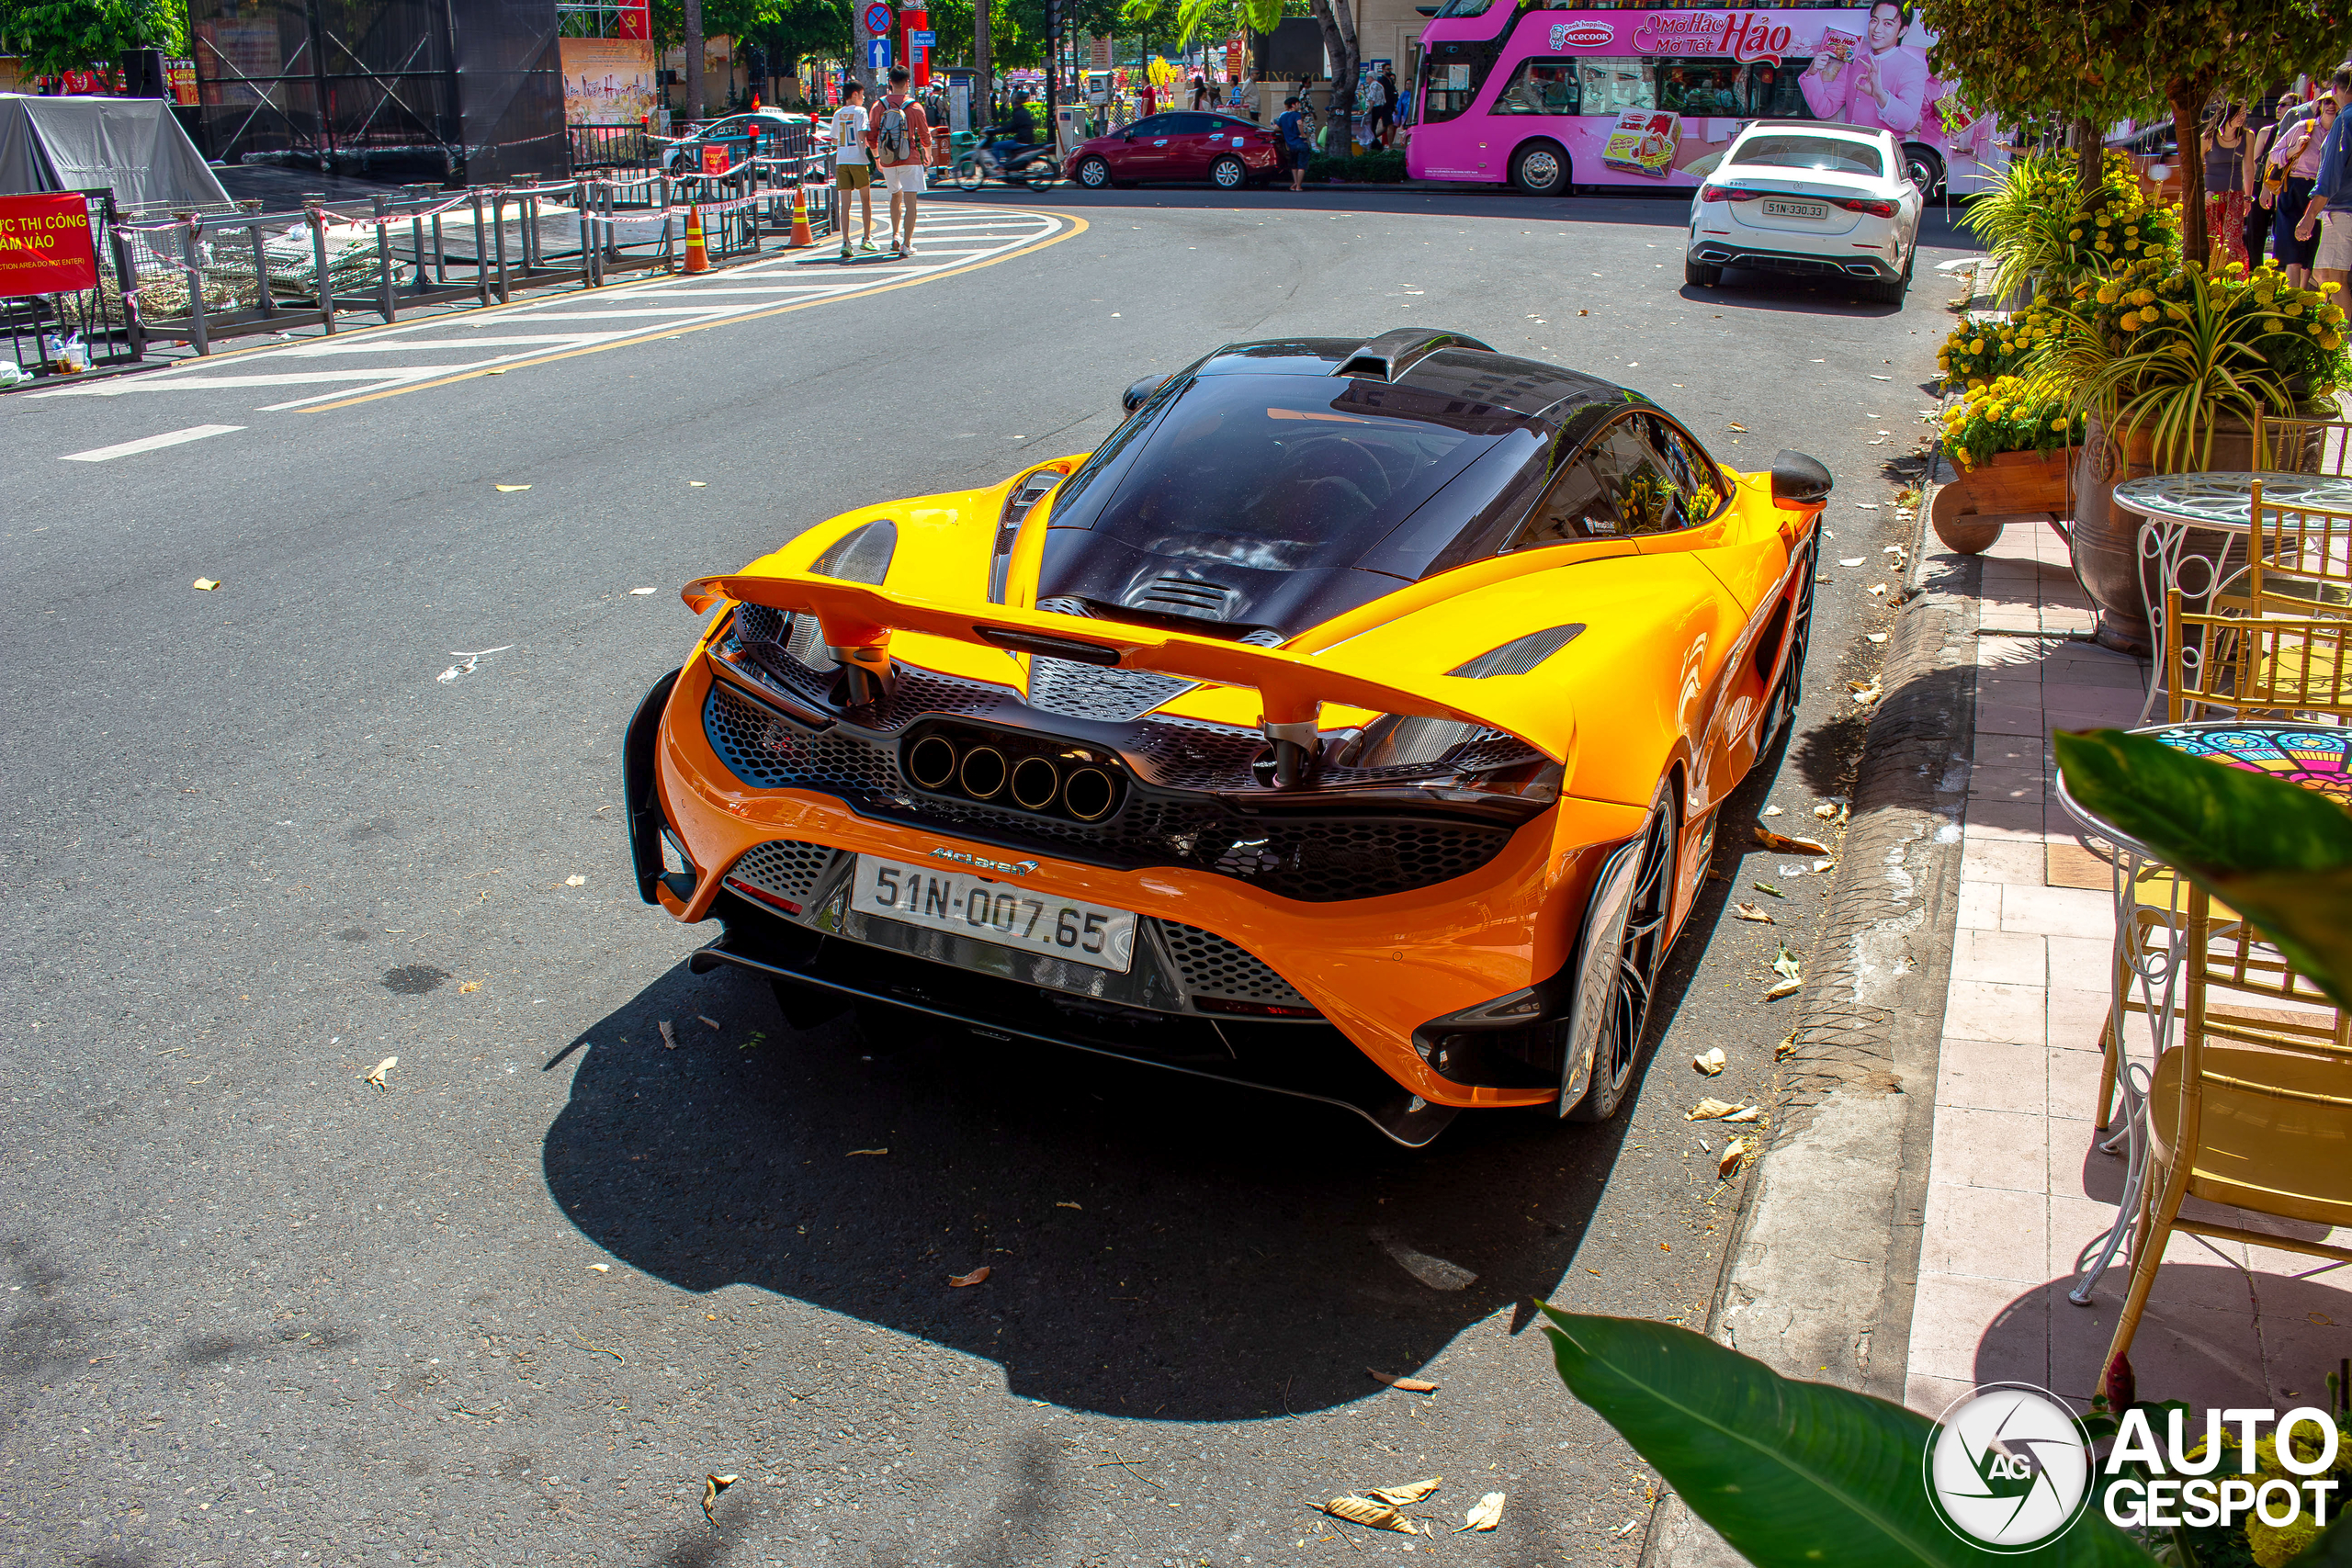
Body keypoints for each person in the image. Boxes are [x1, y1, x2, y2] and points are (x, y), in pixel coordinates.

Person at [1799, 0, 1924, 134]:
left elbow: (1908, 123)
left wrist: (1880, 95)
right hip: (1852, 149)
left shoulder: (1912, 68)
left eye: (1888, 24)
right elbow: (1823, 109)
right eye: (1874, 21)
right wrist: (1812, 73)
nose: (1877, 30)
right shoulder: (1855, 62)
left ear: (1902, 31)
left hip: (1884, 151)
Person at [2271, 91, 2340, 287]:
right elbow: (2274, 155)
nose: (2331, 106)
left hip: (2320, 192)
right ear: (2319, 105)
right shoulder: (2303, 126)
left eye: (2334, 102)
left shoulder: (2340, 132)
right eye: (2326, 101)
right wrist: (2294, 150)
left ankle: (2302, 300)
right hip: (2293, 188)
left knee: (2311, 248)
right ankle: (2291, 299)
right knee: (2293, 251)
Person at [865, 66, 934, 258]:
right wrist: (927, 153)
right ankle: (907, 244)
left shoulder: (878, 106)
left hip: (888, 159)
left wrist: (877, 157)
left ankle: (895, 235)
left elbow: (872, 135)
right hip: (910, 158)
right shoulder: (914, 106)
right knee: (910, 201)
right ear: (907, 83)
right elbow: (924, 134)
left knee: (895, 196)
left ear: (890, 82)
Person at [2301, 83, 2352, 298]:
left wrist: (2310, 214)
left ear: (2335, 87)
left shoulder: (2344, 120)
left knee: (2331, 278)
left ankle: (2342, 332)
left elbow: (2330, 173)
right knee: (2324, 274)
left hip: (2343, 208)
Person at [2246, 91, 2301, 269]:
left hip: (2287, 187)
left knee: (2282, 230)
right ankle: (2254, 270)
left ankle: (2280, 269)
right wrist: (2262, 187)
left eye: (2284, 104)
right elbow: (2256, 162)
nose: (2278, 108)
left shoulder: (2299, 134)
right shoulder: (2267, 131)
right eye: (2279, 104)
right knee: (2256, 230)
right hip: (2263, 185)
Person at [830, 78, 877, 258]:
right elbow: (861, 133)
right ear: (855, 94)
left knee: (845, 204)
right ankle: (866, 238)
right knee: (866, 201)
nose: (863, 98)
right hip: (858, 159)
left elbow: (834, 139)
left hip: (841, 160)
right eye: (862, 95)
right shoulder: (860, 111)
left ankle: (846, 242)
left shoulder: (838, 113)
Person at [2203, 101, 2249, 271]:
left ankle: (2234, 275)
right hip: (2213, 193)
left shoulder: (2247, 136)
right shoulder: (2208, 138)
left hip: (2235, 194)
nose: (2242, 117)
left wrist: (2248, 196)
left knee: (2233, 237)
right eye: (2239, 113)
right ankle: (2211, 273)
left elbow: (2249, 167)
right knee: (2212, 235)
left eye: (2245, 113)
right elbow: (2195, 166)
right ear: (2228, 114)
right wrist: (2205, 191)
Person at [1277, 94, 1312, 192]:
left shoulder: (1283, 116)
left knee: (1294, 165)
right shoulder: (1297, 115)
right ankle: (1298, 186)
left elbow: (1276, 127)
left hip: (1290, 145)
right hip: (1300, 142)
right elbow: (1299, 123)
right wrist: (1303, 134)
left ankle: (1295, 182)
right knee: (1302, 165)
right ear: (1293, 105)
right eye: (1298, 104)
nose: (1299, 106)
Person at [1377, 66, 1399, 147]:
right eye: (1387, 69)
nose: (1389, 71)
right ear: (1383, 70)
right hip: (1385, 106)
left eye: (1390, 69)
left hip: (1389, 106)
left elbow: (1392, 95)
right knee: (1390, 125)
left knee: (1386, 127)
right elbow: (1386, 95)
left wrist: (1394, 107)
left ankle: (1372, 138)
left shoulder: (1390, 81)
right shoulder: (1382, 81)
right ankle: (1390, 144)